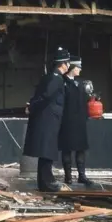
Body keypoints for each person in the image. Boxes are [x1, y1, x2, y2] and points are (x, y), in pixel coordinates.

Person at [23, 47, 70, 192]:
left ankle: (45, 181)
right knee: (47, 151)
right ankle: (47, 182)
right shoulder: (56, 78)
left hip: (48, 118)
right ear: (63, 64)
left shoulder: (51, 77)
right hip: (48, 119)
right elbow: (46, 96)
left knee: (46, 151)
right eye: (68, 62)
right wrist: (32, 107)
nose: (69, 65)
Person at [58, 56, 94, 186]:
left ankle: (82, 175)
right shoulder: (63, 82)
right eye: (78, 67)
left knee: (81, 149)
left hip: (79, 121)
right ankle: (68, 176)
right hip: (67, 120)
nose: (80, 70)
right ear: (72, 68)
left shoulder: (79, 83)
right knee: (67, 149)